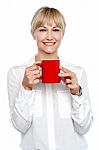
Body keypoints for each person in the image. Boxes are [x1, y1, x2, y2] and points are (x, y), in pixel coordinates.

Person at [7, 6, 93, 150]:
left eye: (55, 30)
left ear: (62, 34)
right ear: (33, 33)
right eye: (42, 29)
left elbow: (83, 128)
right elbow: (20, 126)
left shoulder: (77, 72)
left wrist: (77, 93)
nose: (49, 36)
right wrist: (26, 88)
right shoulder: (17, 73)